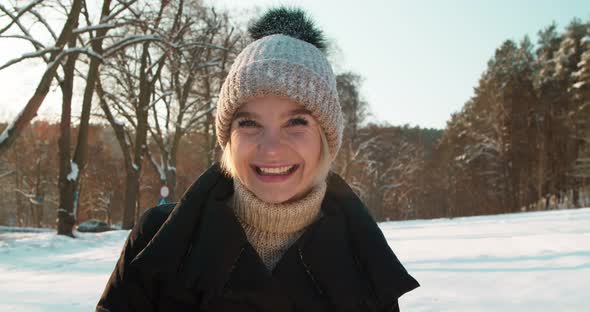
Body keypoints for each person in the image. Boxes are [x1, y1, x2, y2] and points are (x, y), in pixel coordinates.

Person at [97, 7, 419, 312]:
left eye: (296, 123)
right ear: (228, 138)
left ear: (325, 139)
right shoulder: (156, 242)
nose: (272, 148)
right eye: (249, 123)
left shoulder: (365, 260)